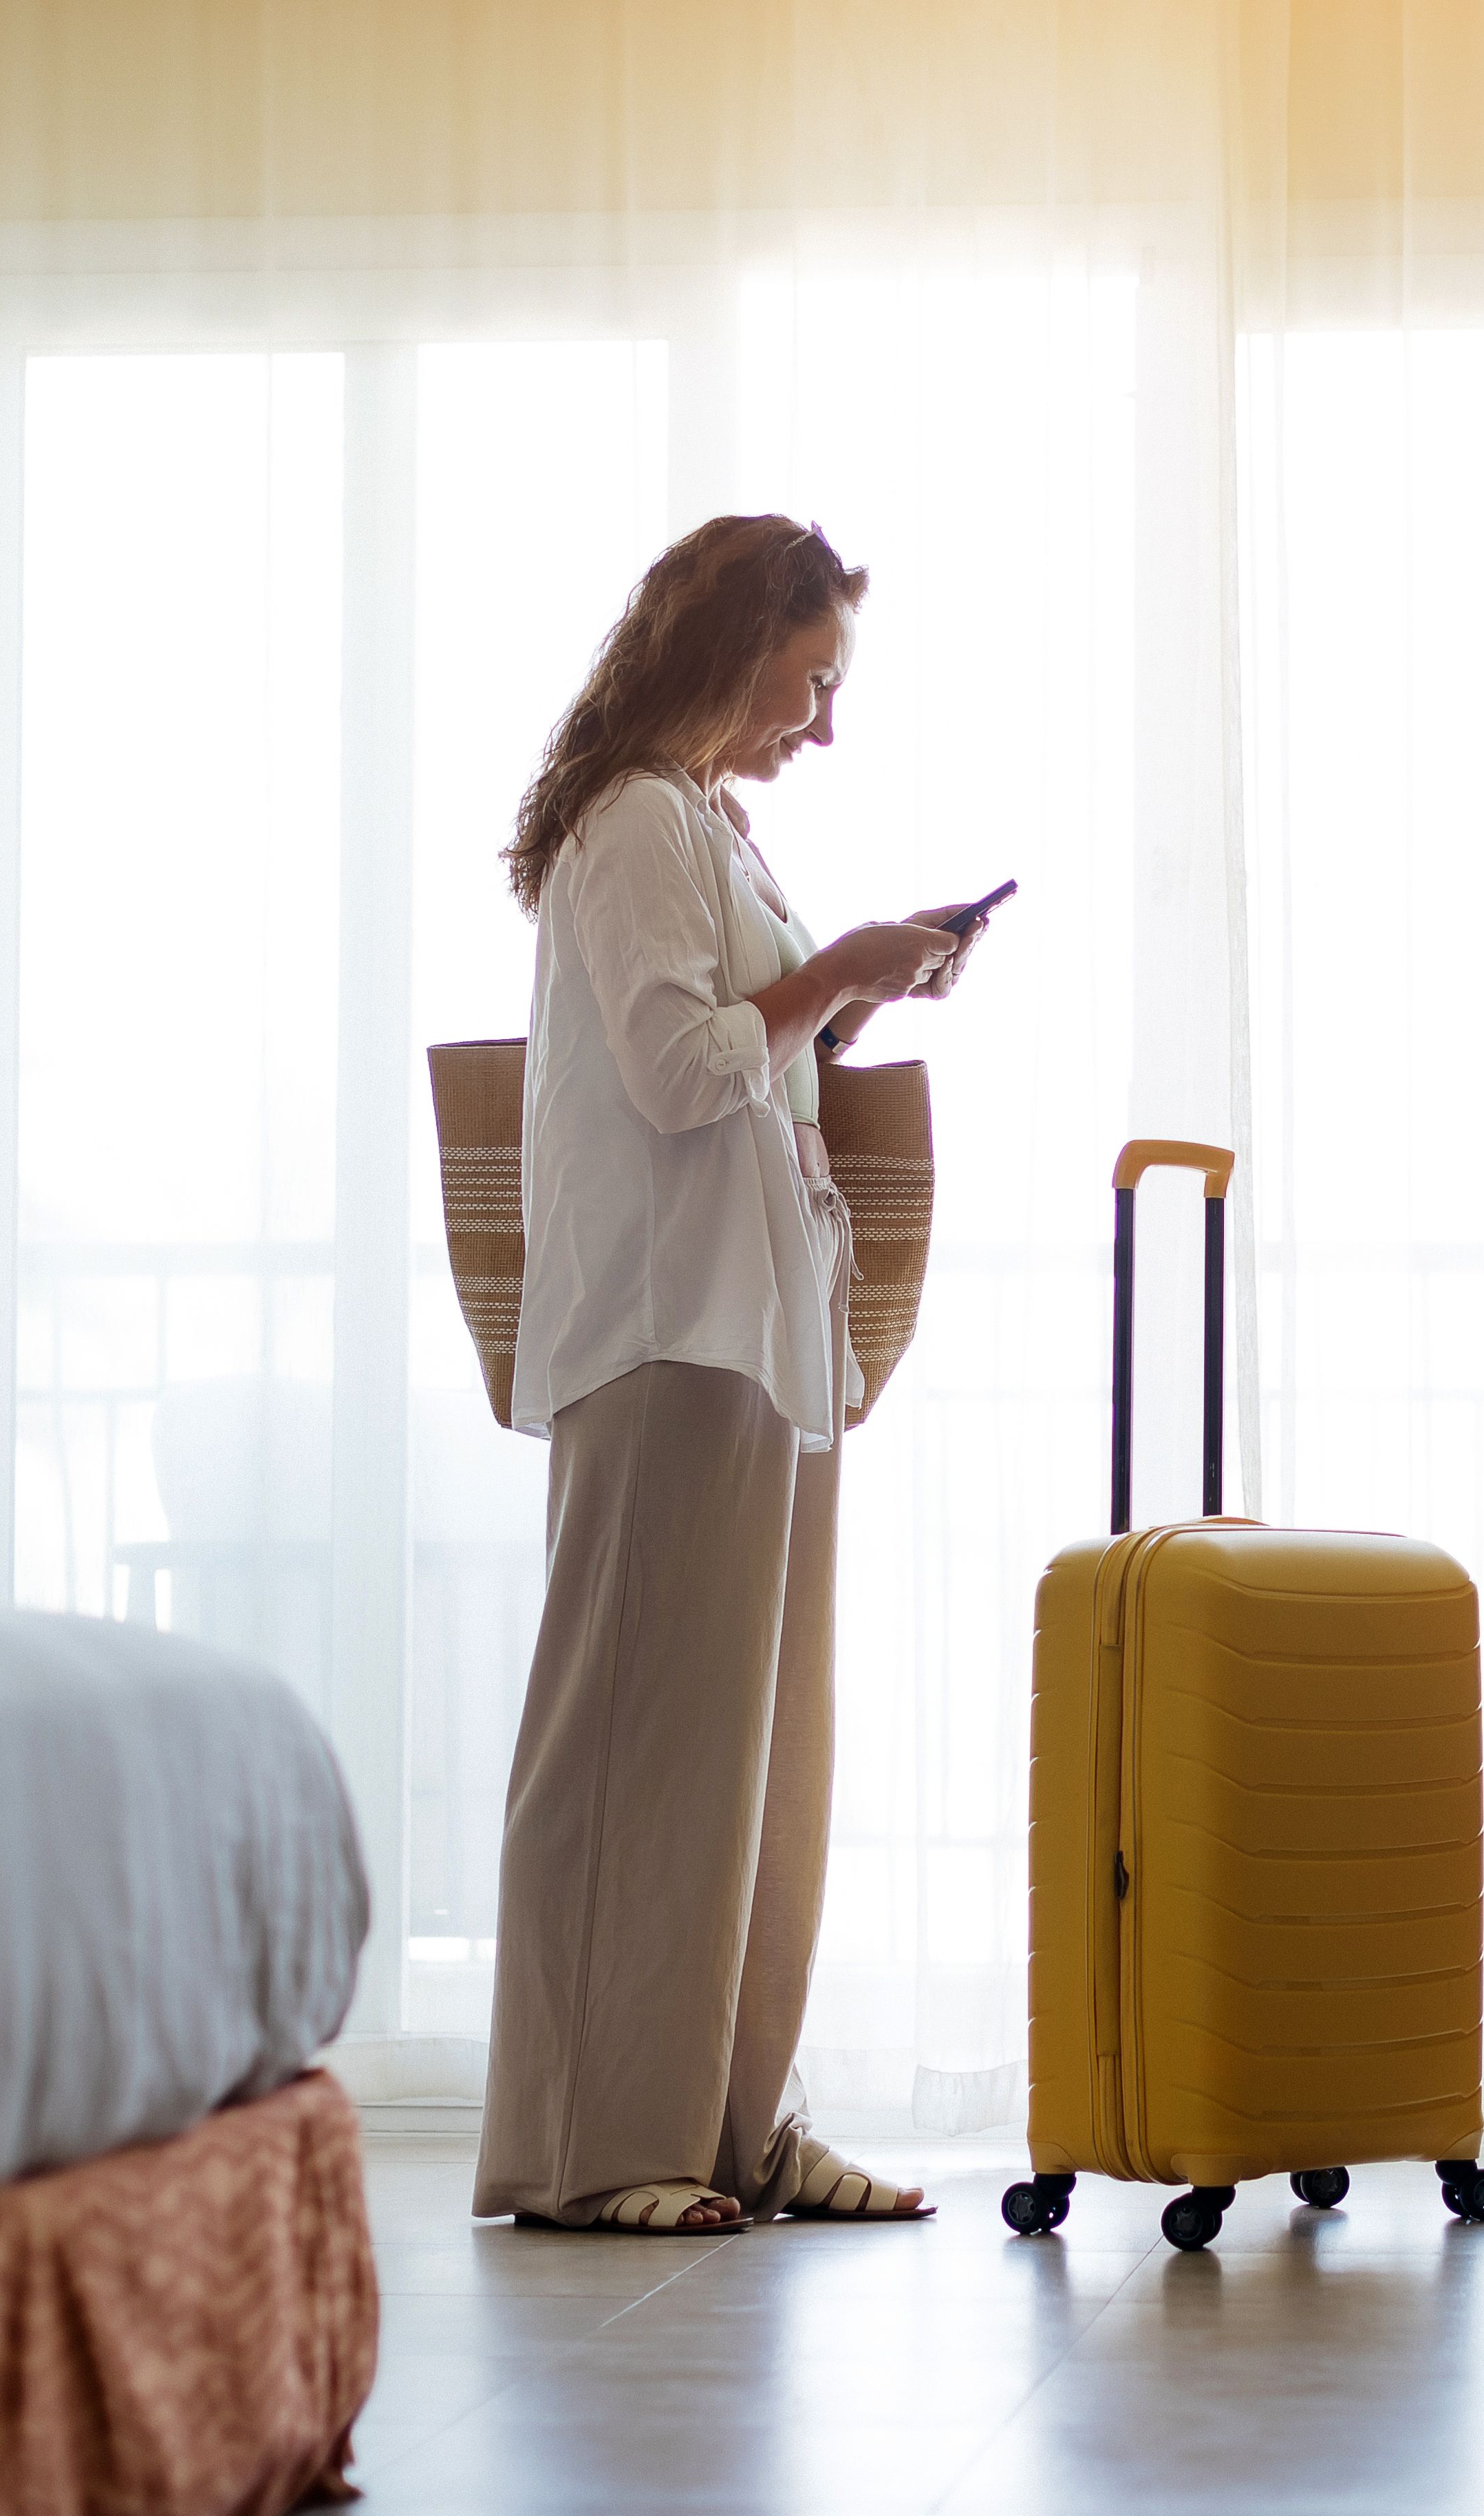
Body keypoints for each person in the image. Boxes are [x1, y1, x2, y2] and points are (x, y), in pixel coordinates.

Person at [472, 515, 989, 2233]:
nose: (823, 724)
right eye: (815, 676)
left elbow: (750, 1054)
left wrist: (849, 995)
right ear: (735, 641)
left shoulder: (715, 831)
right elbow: (681, 1071)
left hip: (763, 1334)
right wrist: (835, 970)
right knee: (635, 1750)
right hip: (666, 1334)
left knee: (764, 1760)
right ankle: (595, 2145)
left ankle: (727, 2124)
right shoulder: (629, 823)